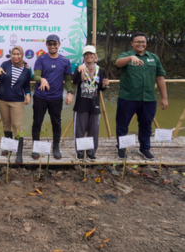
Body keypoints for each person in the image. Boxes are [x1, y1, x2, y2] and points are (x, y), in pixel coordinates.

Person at [115, 32, 168, 160]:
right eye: (137, 41)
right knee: (122, 125)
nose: (141, 44)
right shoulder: (126, 55)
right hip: (128, 98)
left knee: (146, 125)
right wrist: (130, 58)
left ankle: (144, 148)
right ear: (132, 43)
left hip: (148, 98)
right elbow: (117, 64)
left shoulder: (153, 58)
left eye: (143, 42)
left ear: (146, 43)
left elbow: (160, 78)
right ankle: (121, 148)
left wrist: (164, 98)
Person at [31, 34, 73, 160]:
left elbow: (68, 80)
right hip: (40, 97)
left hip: (56, 98)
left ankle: (56, 147)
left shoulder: (65, 61)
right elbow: (36, 76)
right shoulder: (41, 59)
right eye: (50, 44)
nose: (52, 46)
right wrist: (42, 79)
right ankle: (36, 147)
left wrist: (70, 92)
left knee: (56, 122)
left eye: (55, 44)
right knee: (37, 122)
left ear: (59, 45)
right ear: (46, 45)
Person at [0, 46, 31, 164]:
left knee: (17, 126)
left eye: (18, 54)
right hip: (2, 100)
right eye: (14, 54)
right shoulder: (5, 64)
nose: (16, 56)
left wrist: (28, 94)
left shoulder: (26, 69)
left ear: (21, 55)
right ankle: (9, 147)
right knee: (6, 124)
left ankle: (19, 153)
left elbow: (26, 85)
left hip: (17, 101)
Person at [72, 45, 109, 161]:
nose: (89, 56)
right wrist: (79, 70)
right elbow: (75, 82)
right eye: (86, 54)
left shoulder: (100, 70)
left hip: (94, 104)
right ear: (84, 56)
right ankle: (80, 152)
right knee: (80, 130)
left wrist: (104, 85)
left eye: (91, 54)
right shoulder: (79, 68)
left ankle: (91, 152)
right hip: (81, 104)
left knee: (94, 130)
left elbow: (101, 88)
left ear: (94, 55)